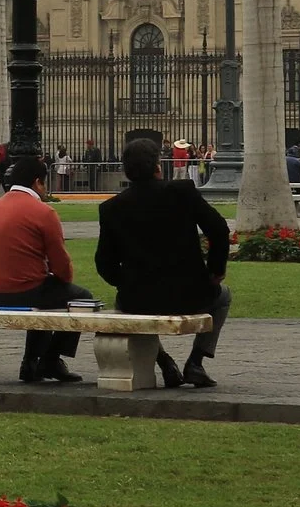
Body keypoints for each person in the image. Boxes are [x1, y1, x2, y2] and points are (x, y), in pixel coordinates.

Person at [94, 138, 230, 388]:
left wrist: (125, 283)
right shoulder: (183, 192)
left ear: (126, 171)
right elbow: (219, 229)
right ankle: (196, 362)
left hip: (138, 297)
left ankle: (164, 362)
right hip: (191, 294)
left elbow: (104, 262)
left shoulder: (111, 208)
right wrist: (215, 271)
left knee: (123, 305)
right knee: (223, 297)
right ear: (158, 167)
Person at [0, 154, 84, 384]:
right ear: (38, 182)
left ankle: (30, 363)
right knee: (80, 299)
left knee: (45, 296)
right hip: (26, 291)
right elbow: (61, 264)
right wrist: (61, 278)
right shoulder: (43, 212)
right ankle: (50, 360)